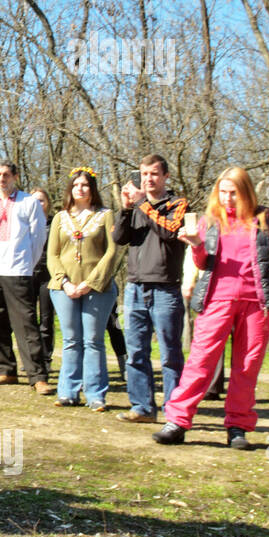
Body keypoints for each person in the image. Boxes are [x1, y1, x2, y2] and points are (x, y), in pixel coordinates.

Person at [153, 168, 269, 449]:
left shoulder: (264, 218)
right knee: (201, 361)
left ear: (246, 192)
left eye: (234, 192)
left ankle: (237, 427)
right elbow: (200, 262)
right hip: (216, 300)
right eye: (223, 192)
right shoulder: (209, 220)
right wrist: (196, 246)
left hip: (256, 304)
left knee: (247, 366)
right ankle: (178, 422)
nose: (228, 198)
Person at [115, 155, 188, 422]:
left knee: (170, 353)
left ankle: (174, 410)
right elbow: (119, 238)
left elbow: (169, 231)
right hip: (135, 286)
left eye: (154, 174)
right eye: (144, 174)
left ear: (166, 176)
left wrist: (141, 203)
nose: (148, 179)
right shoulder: (135, 207)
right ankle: (142, 407)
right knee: (135, 351)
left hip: (165, 288)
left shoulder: (177, 204)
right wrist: (125, 209)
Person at [47, 168, 121, 409]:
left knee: (93, 340)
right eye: (76, 184)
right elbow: (52, 254)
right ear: (71, 189)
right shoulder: (60, 217)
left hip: (97, 289)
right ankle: (68, 391)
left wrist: (90, 282)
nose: (80, 188)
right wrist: (65, 282)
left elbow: (112, 251)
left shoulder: (106, 215)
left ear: (92, 189)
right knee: (71, 340)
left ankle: (96, 394)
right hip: (64, 288)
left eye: (85, 185)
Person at [0, 162, 52, 394]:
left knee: (26, 324)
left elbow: (38, 237)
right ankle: (6, 369)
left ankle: (37, 376)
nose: (2, 179)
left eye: (7, 175)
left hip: (18, 269)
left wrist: (26, 265)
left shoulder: (29, 202)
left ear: (15, 177)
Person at [30, 187, 55, 380]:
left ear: (48, 203)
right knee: (28, 320)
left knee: (46, 320)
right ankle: (33, 359)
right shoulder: (24, 223)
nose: (38, 204)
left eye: (41, 200)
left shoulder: (55, 223)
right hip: (28, 274)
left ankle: (46, 358)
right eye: (34, 200)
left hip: (49, 276)